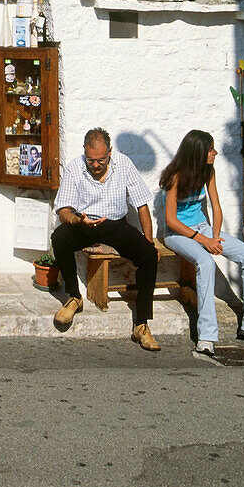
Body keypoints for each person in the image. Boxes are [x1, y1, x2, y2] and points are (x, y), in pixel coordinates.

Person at [160, 129, 244, 357]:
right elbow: (171, 220)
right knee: (205, 261)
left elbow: (216, 207)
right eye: (211, 149)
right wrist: (203, 241)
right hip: (178, 234)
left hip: (203, 229)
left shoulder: (208, 172)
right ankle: (206, 337)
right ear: (198, 152)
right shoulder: (174, 177)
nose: (215, 153)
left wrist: (214, 236)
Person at [51, 128, 160, 350]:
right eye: (91, 160)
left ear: (109, 152)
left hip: (116, 224)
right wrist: (77, 221)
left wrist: (149, 241)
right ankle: (74, 297)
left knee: (148, 254)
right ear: (84, 152)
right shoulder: (75, 167)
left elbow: (141, 204)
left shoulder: (124, 164)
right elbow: (63, 210)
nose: (96, 165)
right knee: (60, 237)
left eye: (101, 160)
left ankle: (142, 324)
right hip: (84, 223)